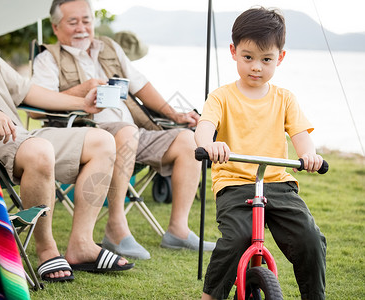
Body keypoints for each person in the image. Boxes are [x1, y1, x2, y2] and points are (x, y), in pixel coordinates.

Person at [0, 0, 134, 283]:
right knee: (40, 149)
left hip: (20, 133)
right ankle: (45, 250)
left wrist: (82, 103)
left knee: (103, 140)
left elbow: (27, 91)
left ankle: (81, 244)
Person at [31, 0, 216, 260]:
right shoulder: (47, 58)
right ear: (56, 27)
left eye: (86, 20)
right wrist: (81, 90)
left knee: (187, 140)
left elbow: (141, 86)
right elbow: (36, 105)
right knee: (126, 132)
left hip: (132, 132)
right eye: (73, 22)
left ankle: (178, 230)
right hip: (86, 137)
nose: (81, 27)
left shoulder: (109, 47)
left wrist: (173, 114)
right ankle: (115, 227)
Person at [194, 7, 327, 300]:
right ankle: (211, 296)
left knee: (309, 238)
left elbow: (302, 139)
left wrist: (310, 156)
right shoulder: (222, 96)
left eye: (266, 59)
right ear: (233, 51)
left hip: (277, 182)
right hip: (233, 182)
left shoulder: (284, 98)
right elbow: (204, 127)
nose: (256, 67)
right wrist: (210, 144)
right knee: (236, 239)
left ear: (280, 57)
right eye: (248, 57)